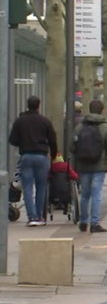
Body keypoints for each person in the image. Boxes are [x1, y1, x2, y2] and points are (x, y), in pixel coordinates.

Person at [8, 95, 59, 226]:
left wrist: (23, 142)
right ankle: (40, 217)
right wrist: (53, 156)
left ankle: (32, 217)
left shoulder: (20, 121)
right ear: (38, 105)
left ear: (27, 105)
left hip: (26, 156)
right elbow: (53, 140)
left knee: (27, 188)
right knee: (41, 187)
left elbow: (12, 140)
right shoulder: (45, 121)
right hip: (42, 157)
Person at [71, 99, 107, 232]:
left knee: (85, 194)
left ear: (89, 110)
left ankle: (83, 222)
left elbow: (72, 146)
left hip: (83, 166)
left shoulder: (80, 127)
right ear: (102, 110)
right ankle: (94, 223)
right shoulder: (105, 127)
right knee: (96, 194)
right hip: (99, 167)